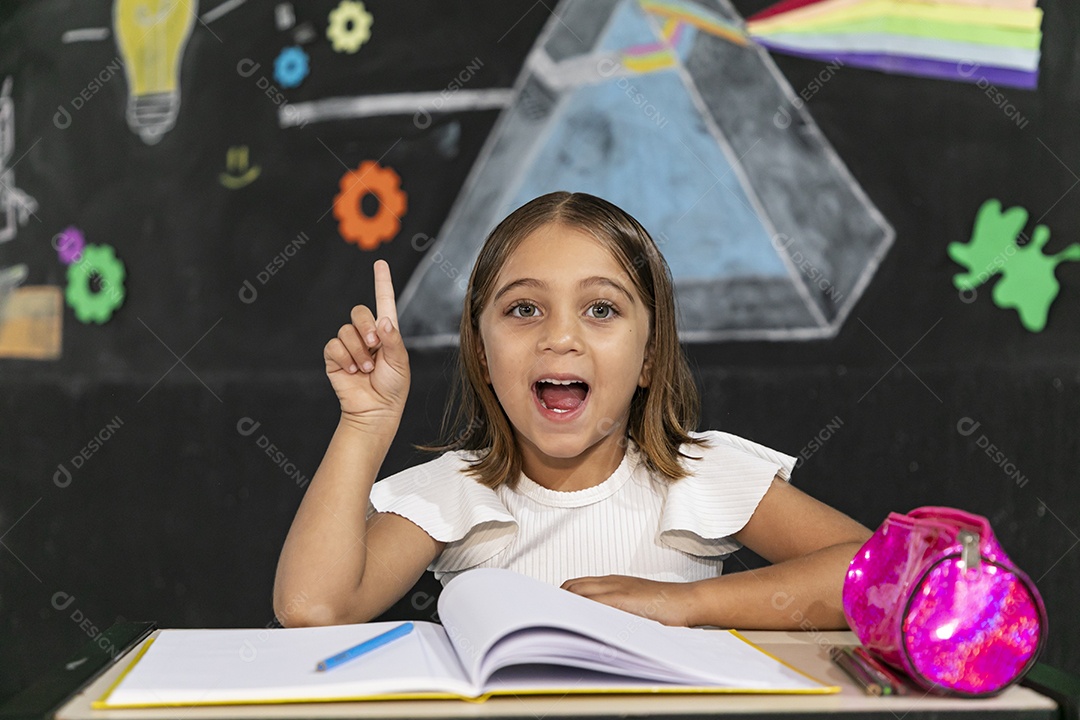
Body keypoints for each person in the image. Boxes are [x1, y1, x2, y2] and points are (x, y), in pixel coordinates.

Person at [274, 191, 871, 630]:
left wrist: (682, 604)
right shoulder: (453, 492)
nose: (561, 337)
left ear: (648, 357)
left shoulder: (697, 475)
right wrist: (366, 423)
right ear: (482, 356)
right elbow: (313, 609)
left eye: (602, 310)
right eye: (525, 310)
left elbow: (868, 572)